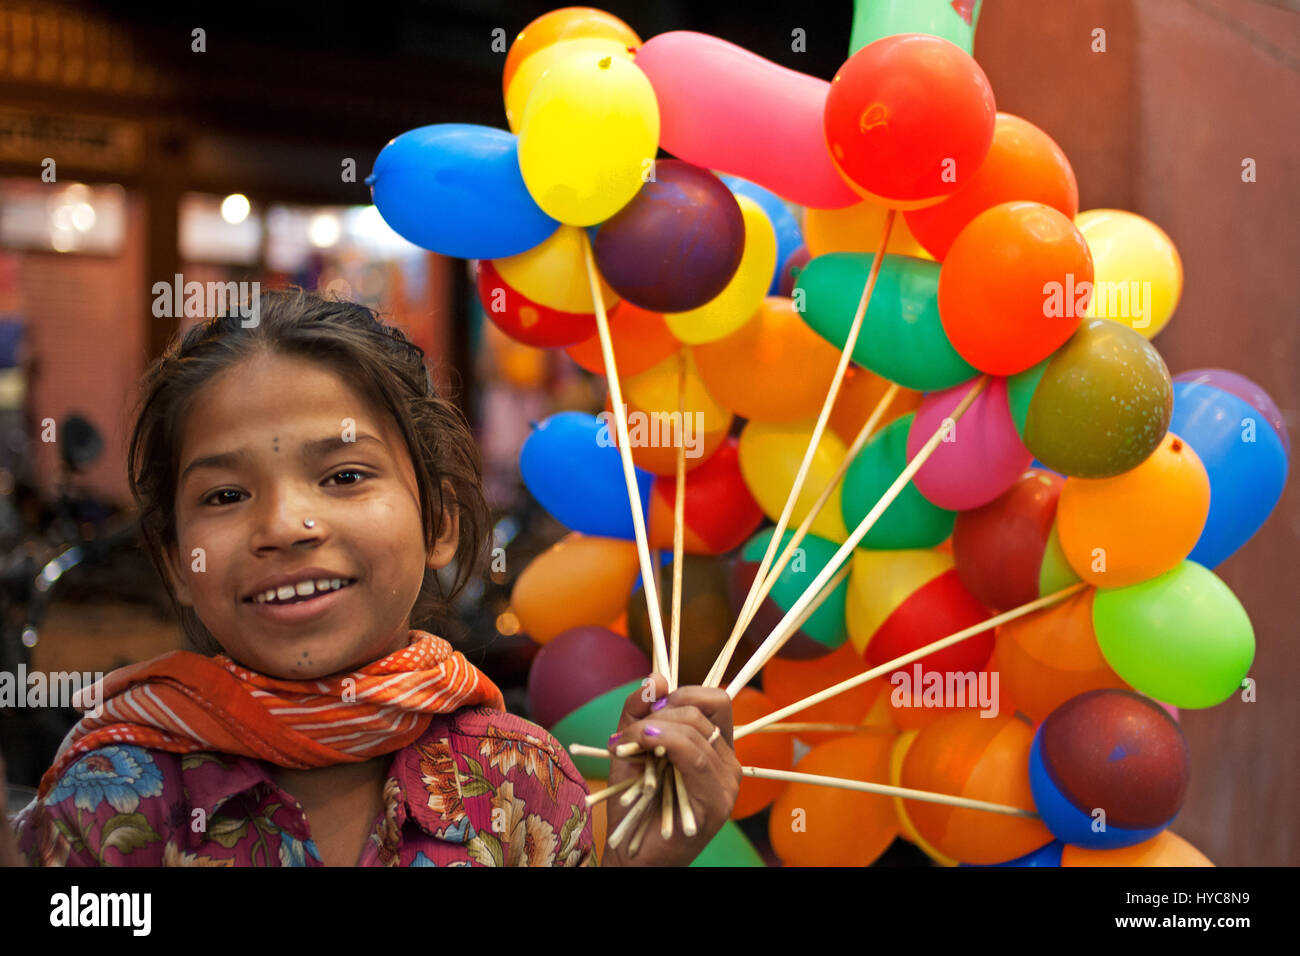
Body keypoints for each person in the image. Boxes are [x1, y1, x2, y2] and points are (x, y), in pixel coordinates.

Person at [2, 289, 741, 866]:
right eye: (226, 495)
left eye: (345, 475)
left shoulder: (522, 779)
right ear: (177, 563)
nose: (287, 525)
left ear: (440, 522)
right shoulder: (106, 800)